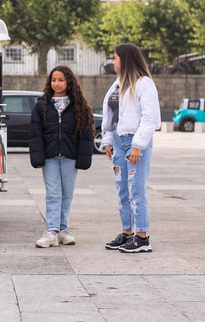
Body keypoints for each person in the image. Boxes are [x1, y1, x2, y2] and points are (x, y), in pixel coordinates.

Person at [101, 43, 161, 253]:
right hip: (118, 141)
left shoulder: (145, 84)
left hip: (135, 143)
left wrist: (137, 146)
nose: (112, 61)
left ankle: (142, 237)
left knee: (136, 190)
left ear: (125, 59)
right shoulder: (116, 85)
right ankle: (127, 233)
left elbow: (150, 119)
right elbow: (111, 115)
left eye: (115, 57)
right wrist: (108, 140)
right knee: (122, 191)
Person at [29, 65, 94, 248]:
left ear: (69, 82)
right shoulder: (42, 104)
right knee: (53, 194)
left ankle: (63, 230)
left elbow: (85, 133)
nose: (56, 83)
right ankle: (51, 231)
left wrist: (83, 158)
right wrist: (38, 157)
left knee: (67, 195)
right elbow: (35, 133)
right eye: (53, 80)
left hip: (69, 157)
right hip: (49, 158)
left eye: (61, 80)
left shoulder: (78, 105)